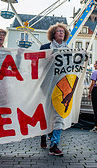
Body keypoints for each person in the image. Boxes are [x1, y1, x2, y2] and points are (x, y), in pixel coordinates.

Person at [40, 22, 69, 157]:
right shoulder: (45, 48)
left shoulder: (68, 50)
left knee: (59, 113)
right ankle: (44, 134)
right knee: (46, 113)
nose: (61, 33)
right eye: (58, 31)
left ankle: (54, 144)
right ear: (53, 34)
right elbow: (38, 65)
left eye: (63, 31)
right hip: (47, 85)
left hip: (61, 85)